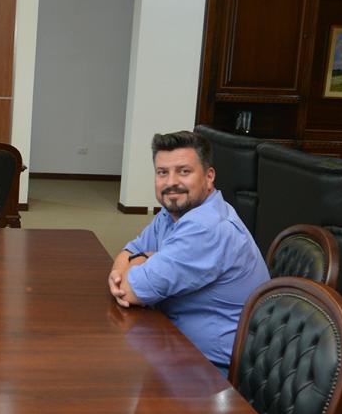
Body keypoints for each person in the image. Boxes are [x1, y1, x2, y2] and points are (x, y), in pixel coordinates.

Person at [108, 130, 269, 374]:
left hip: (211, 371)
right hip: (174, 343)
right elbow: (129, 251)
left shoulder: (207, 228)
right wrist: (140, 261)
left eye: (184, 171)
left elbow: (129, 290)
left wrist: (136, 266)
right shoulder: (175, 212)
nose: (171, 182)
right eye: (163, 172)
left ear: (209, 176)